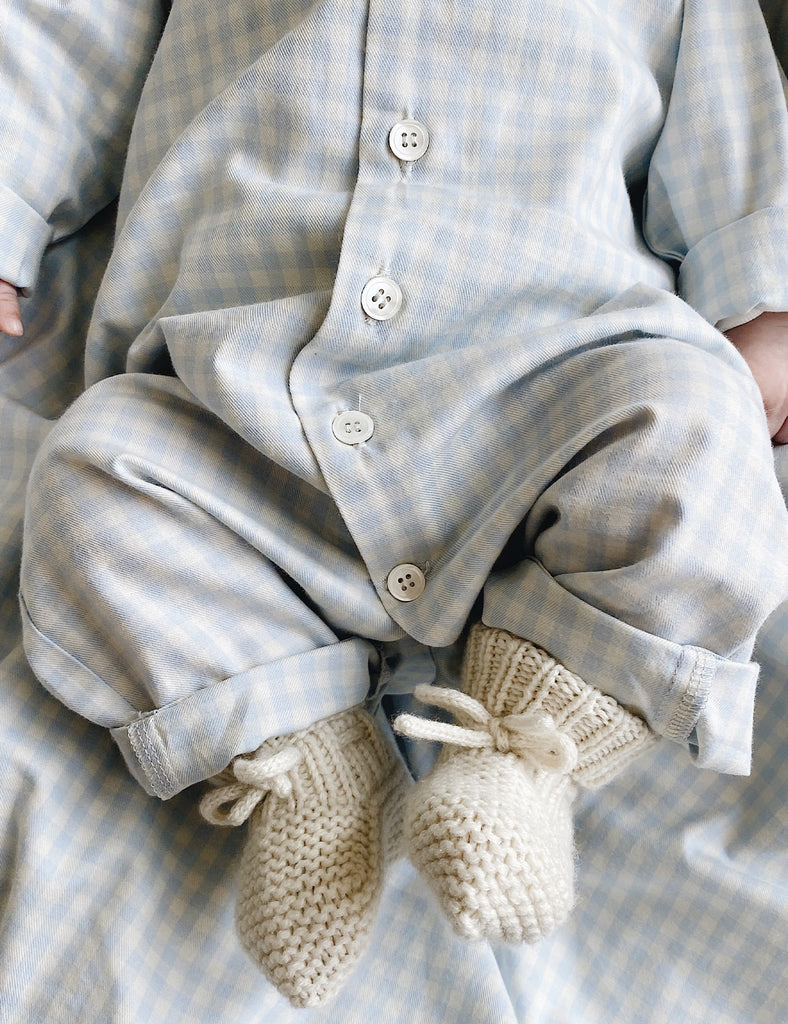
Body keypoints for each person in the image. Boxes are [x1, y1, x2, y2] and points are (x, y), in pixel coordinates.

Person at [2, 0, 787, 1008]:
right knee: (92, 477)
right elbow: (63, 27)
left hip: (542, 373)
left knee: (695, 430)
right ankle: (316, 762)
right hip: (241, 386)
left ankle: (526, 750)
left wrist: (761, 301)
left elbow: (729, 110)